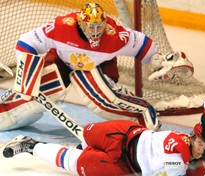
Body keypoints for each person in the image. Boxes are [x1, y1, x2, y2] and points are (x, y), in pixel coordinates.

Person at [0, 2, 193, 132]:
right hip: (62, 62)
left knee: (101, 101)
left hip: (98, 67)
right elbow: (26, 43)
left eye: (98, 26)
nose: (95, 31)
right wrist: (26, 75)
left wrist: (156, 61)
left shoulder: (114, 35)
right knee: (33, 95)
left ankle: (143, 115)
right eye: (90, 26)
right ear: (80, 22)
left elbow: (142, 43)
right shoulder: (61, 27)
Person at [3, 119, 205, 176]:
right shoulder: (179, 151)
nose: (201, 149)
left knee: (76, 163)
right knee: (86, 135)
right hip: (123, 133)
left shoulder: (181, 155)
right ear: (191, 137)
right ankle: (84, 147)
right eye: (200, 143)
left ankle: (30, 146)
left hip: (123, 164)